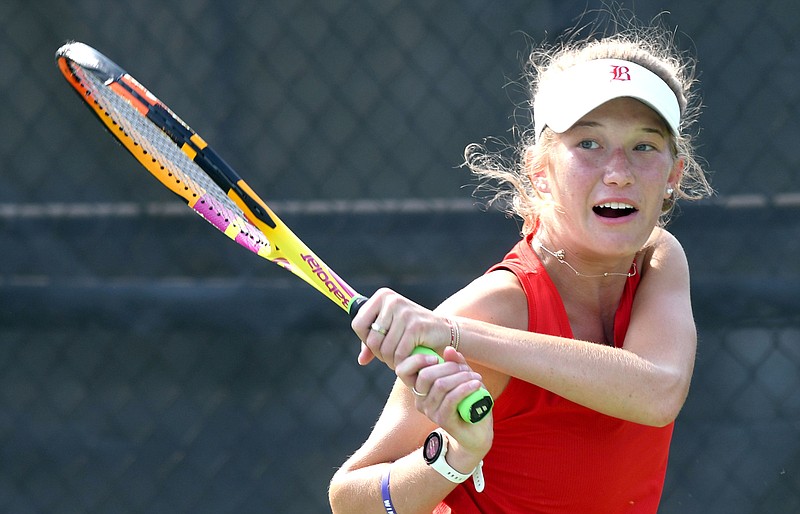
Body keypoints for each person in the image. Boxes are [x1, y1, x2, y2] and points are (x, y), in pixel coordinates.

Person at [329, 14, 713, 514]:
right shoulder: (494, 308)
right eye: (588, 144)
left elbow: (657, 390)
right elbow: (350, 501)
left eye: (644, 146)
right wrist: (454, 456)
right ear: (541, 171)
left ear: (673, 175)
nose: (618, 172)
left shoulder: (660, 258)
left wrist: (455, 334)